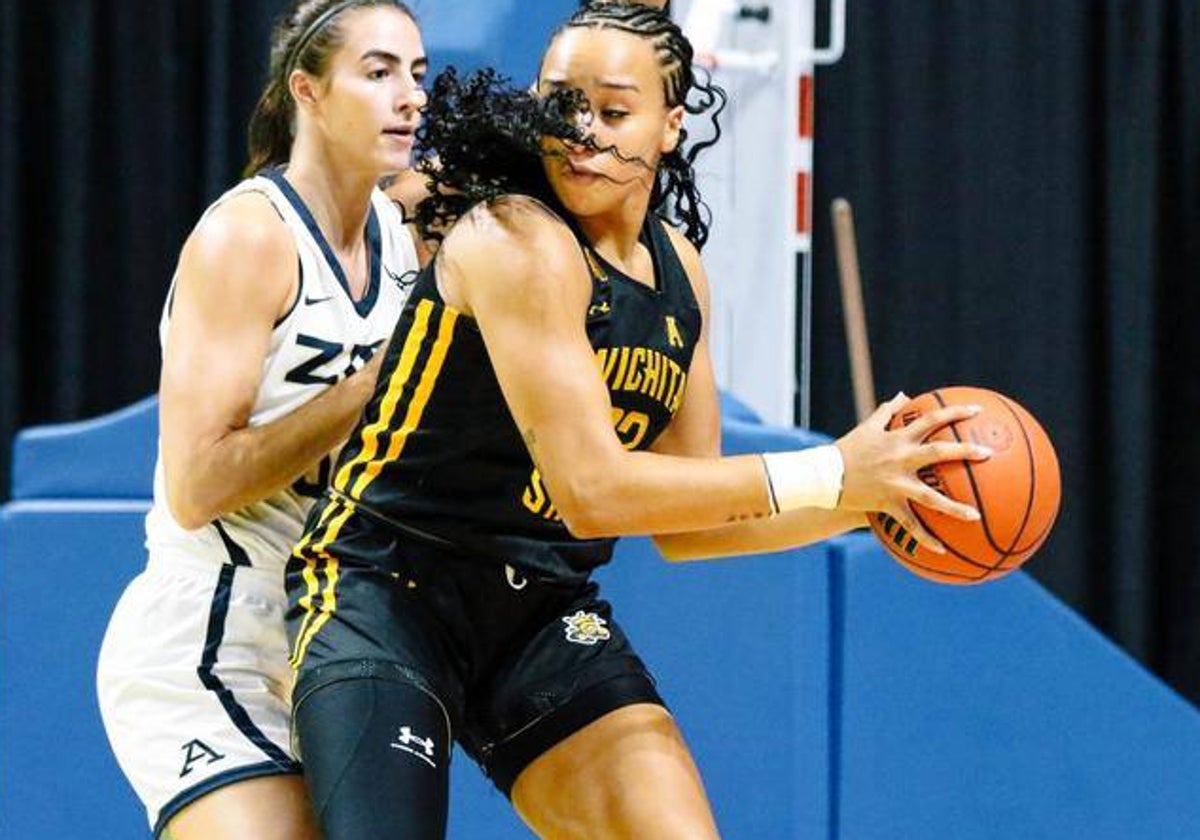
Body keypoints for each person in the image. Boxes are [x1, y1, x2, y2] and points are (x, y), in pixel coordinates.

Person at [284, 2, 990, 838]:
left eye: (614, 111)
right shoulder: (515, 238)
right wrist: (834, 470)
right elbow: (593, 492)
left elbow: (698, 528)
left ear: (669, 126)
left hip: (536, 612)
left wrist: (873, 502)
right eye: (562, 104)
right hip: (387, 591)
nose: (582, 131)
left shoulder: (678, 273)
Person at [95, 2, 428, 837]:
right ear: (307, 91)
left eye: (418, 75)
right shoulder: (248, 237)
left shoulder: (399, 228)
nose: (410, 97)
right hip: (212, 636)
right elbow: (197, 485)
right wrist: (369, 391)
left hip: (338, 632)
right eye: (380, 71)